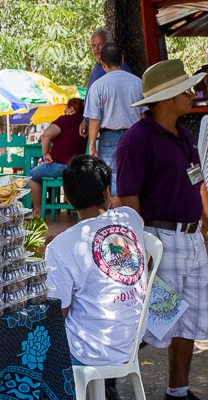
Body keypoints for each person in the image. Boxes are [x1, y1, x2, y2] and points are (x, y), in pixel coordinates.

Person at [116, 59, 208, 400]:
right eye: (187, 89)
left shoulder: (184, 136)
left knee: (187, 322)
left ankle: (178, 392)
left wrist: (205, 234)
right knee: (148, 321)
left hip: (192, 238)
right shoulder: (136, 140)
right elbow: (127, 199)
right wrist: (141, 252)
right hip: (161, 240)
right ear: (169, 97)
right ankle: (104, 377)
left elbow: (198, 186)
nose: (193, 93)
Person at [46, 155, 147, 396]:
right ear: (107, 191)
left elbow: (57, 316)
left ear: (67, 199)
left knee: (31, 337)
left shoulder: (62, 246)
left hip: (90, 351)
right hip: (133, 340)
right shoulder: (131, 218)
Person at [83, 43, 144, 208]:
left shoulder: (98, 86)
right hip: (135, 136)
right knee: (137, 176)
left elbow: (94, 119)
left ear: (102, 63)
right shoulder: (138, 83)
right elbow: (145, 115)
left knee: (114, 182)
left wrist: (92, 146)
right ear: (122, 59)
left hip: (109, 137)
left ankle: (117, 223)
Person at [27, 99, 87, 219]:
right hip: (80, 166)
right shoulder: (87, 121)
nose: (64, 110)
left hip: (61, 165)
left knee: (32, 175)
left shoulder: (64, 120)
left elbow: (46, 134)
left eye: (66, 107)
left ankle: (37, 211)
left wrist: (46, 153)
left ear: (71, 109)